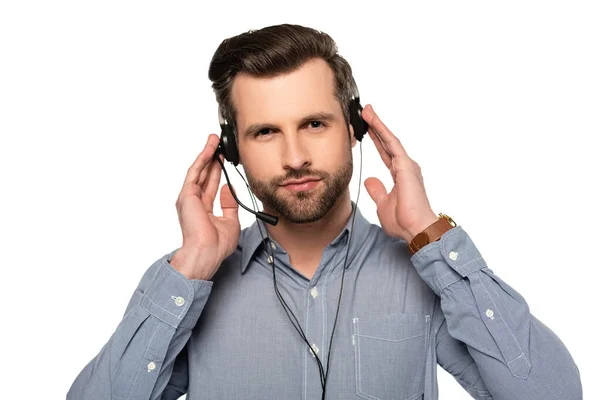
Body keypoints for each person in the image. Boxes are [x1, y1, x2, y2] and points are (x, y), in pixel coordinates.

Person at [68, 24, 582, 400]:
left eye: (314, 124)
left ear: (355, 130)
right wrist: (190, 267)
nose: (294, 158)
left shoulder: (424, 274)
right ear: (232, 150)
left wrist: (431, 237)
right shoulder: (190, 287)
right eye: (266, 132)